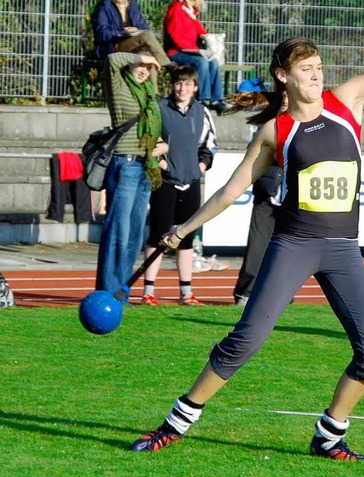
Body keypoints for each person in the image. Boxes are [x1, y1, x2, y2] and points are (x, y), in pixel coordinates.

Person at [131, 16, 364, 459]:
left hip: (344, 249)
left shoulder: (346, 101)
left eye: (319, 66)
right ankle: (175, 424)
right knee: (246, 340)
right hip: (295, 244)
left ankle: (329, 435)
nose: (316, 74)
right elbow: (232, 190)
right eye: (306, 68)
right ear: (283, 76)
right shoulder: (275, 130)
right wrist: (182, 229)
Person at [141, 65, 217, 307]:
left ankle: (186, 292)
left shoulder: (202, 112)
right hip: (166, 183)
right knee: (158, 237)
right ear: (172, 85)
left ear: (195, 87)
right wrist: (162, 164)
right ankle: (148, 292)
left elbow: (209, 146)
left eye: (187, 84)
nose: (182, 88)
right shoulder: (160, 109)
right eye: (178, 83)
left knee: (185, 239)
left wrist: (201, 167)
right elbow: (147, 141)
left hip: (191, 182)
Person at [95, 46, 164, 303]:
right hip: (124, 165)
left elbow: (154, 131)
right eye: (140, 66)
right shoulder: (119, 85)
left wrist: (162, 147)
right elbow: (112, 59)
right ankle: (108, 292)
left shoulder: (148, 95)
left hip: (145, 167)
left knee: (135, 237)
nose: (144, 71)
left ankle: (121, 293)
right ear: (131, 63)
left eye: (148, 68)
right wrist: (142, 56)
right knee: (118, 233)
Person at [233, 92, 288, 306]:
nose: (285, 103)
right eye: (282, 100)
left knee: (287, 248)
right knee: (257, 244)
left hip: (293, 196)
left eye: (289, 100)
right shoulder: (266, 126)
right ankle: (245, 292)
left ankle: (283, 294)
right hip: (267, 191)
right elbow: (253, 155)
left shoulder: (305, 124)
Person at [163, 0, 225, 115]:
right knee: (202, 62)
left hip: (192, 51)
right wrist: (195, 50)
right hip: (177, 52)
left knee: (213, 61)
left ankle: (216, 100)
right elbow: (175, 34)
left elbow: (200, 31)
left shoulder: (190, 12)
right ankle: (201, 98)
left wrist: (207, 39)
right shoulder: (176, 9)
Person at [91, 0, 171, 90]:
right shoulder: (104, 7)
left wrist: (136, 29)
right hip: (113, 46)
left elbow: (144, 27)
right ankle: (167, 65)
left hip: (132, 43)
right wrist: (121, 33)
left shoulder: (133, 5)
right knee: (146, 35)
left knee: (150, 56)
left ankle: (153, 95)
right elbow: (102, 33)